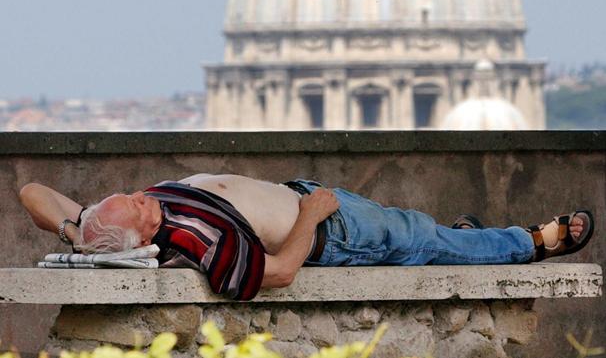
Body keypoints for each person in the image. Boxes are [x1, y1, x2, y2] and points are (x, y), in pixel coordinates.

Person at [19, 174, 595, 300]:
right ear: (141, 232)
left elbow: (32, 192)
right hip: (330, 232)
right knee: (420, 239)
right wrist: (312, 216)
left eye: (135, 193)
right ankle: (532, 242)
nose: (146, 196)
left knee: (427, 236)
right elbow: (277, 274)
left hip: (307, 196)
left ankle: (465, 242)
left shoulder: (104, 227)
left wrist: (75, 228)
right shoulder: (201, 242)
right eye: (140, 204)